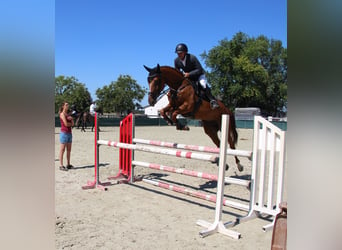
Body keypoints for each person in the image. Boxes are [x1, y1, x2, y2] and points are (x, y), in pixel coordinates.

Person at [174, 43, 219, 109]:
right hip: (189, 77)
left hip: (199, 75)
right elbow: (177, 72)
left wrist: (189, 74)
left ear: (185, 52)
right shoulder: (176, 61)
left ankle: (212, 100)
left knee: (202, 84)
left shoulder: (192, 58)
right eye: (178, 53)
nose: (179, 55)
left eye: (180, 53)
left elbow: (199, 69)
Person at [59, 102, 74, 171]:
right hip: (64, 133)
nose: (67, 106)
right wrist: (70, 122)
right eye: (66, 105)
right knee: (62, 150)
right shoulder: (62, 114)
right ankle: (61, 165)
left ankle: (68, 164)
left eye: (68, 105)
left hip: (69, 133)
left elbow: (73, 124)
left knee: (69, 150)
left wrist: (71, 120)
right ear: (63, 106)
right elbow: (66, 124)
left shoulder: (68, 114)